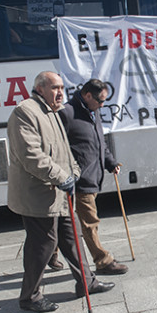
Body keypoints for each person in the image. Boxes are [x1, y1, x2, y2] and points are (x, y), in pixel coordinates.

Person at [7, 71, 114, 313]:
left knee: (72, 236)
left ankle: (86, 282)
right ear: (40, 88)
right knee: (43, 244)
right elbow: (31, 156)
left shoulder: (53, 112)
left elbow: (66, 150)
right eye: (54, 87)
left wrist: (73, 172)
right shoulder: (26, 112)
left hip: (60, 193)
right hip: (38, 196)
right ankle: (30, 297)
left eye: (62, 88)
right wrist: (61, 176)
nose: (60, 92)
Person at [55, 78, 129, 275]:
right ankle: (103, 261)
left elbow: (99, 142)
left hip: (94, 176)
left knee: (58, 221)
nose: (103, 105)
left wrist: (111, 162)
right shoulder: (67, 113)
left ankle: (51, 253)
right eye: (100, 100)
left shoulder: (92, 110)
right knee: (89, 222)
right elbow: (56, 147)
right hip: (79, 180)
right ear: (87, 95)